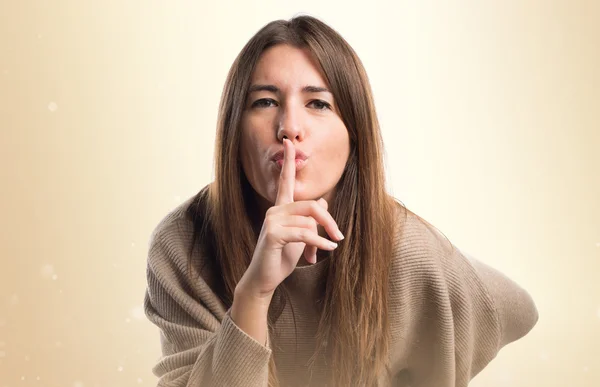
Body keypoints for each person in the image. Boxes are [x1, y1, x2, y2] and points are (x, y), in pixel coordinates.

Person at [143, 14, 538, 387]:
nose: (290, 128)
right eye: (265, 102)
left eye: (318, 104)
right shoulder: (183, 245)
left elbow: (519, 309)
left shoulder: (409, 252)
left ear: (355, 135)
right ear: (233, 126)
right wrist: (254, 294)